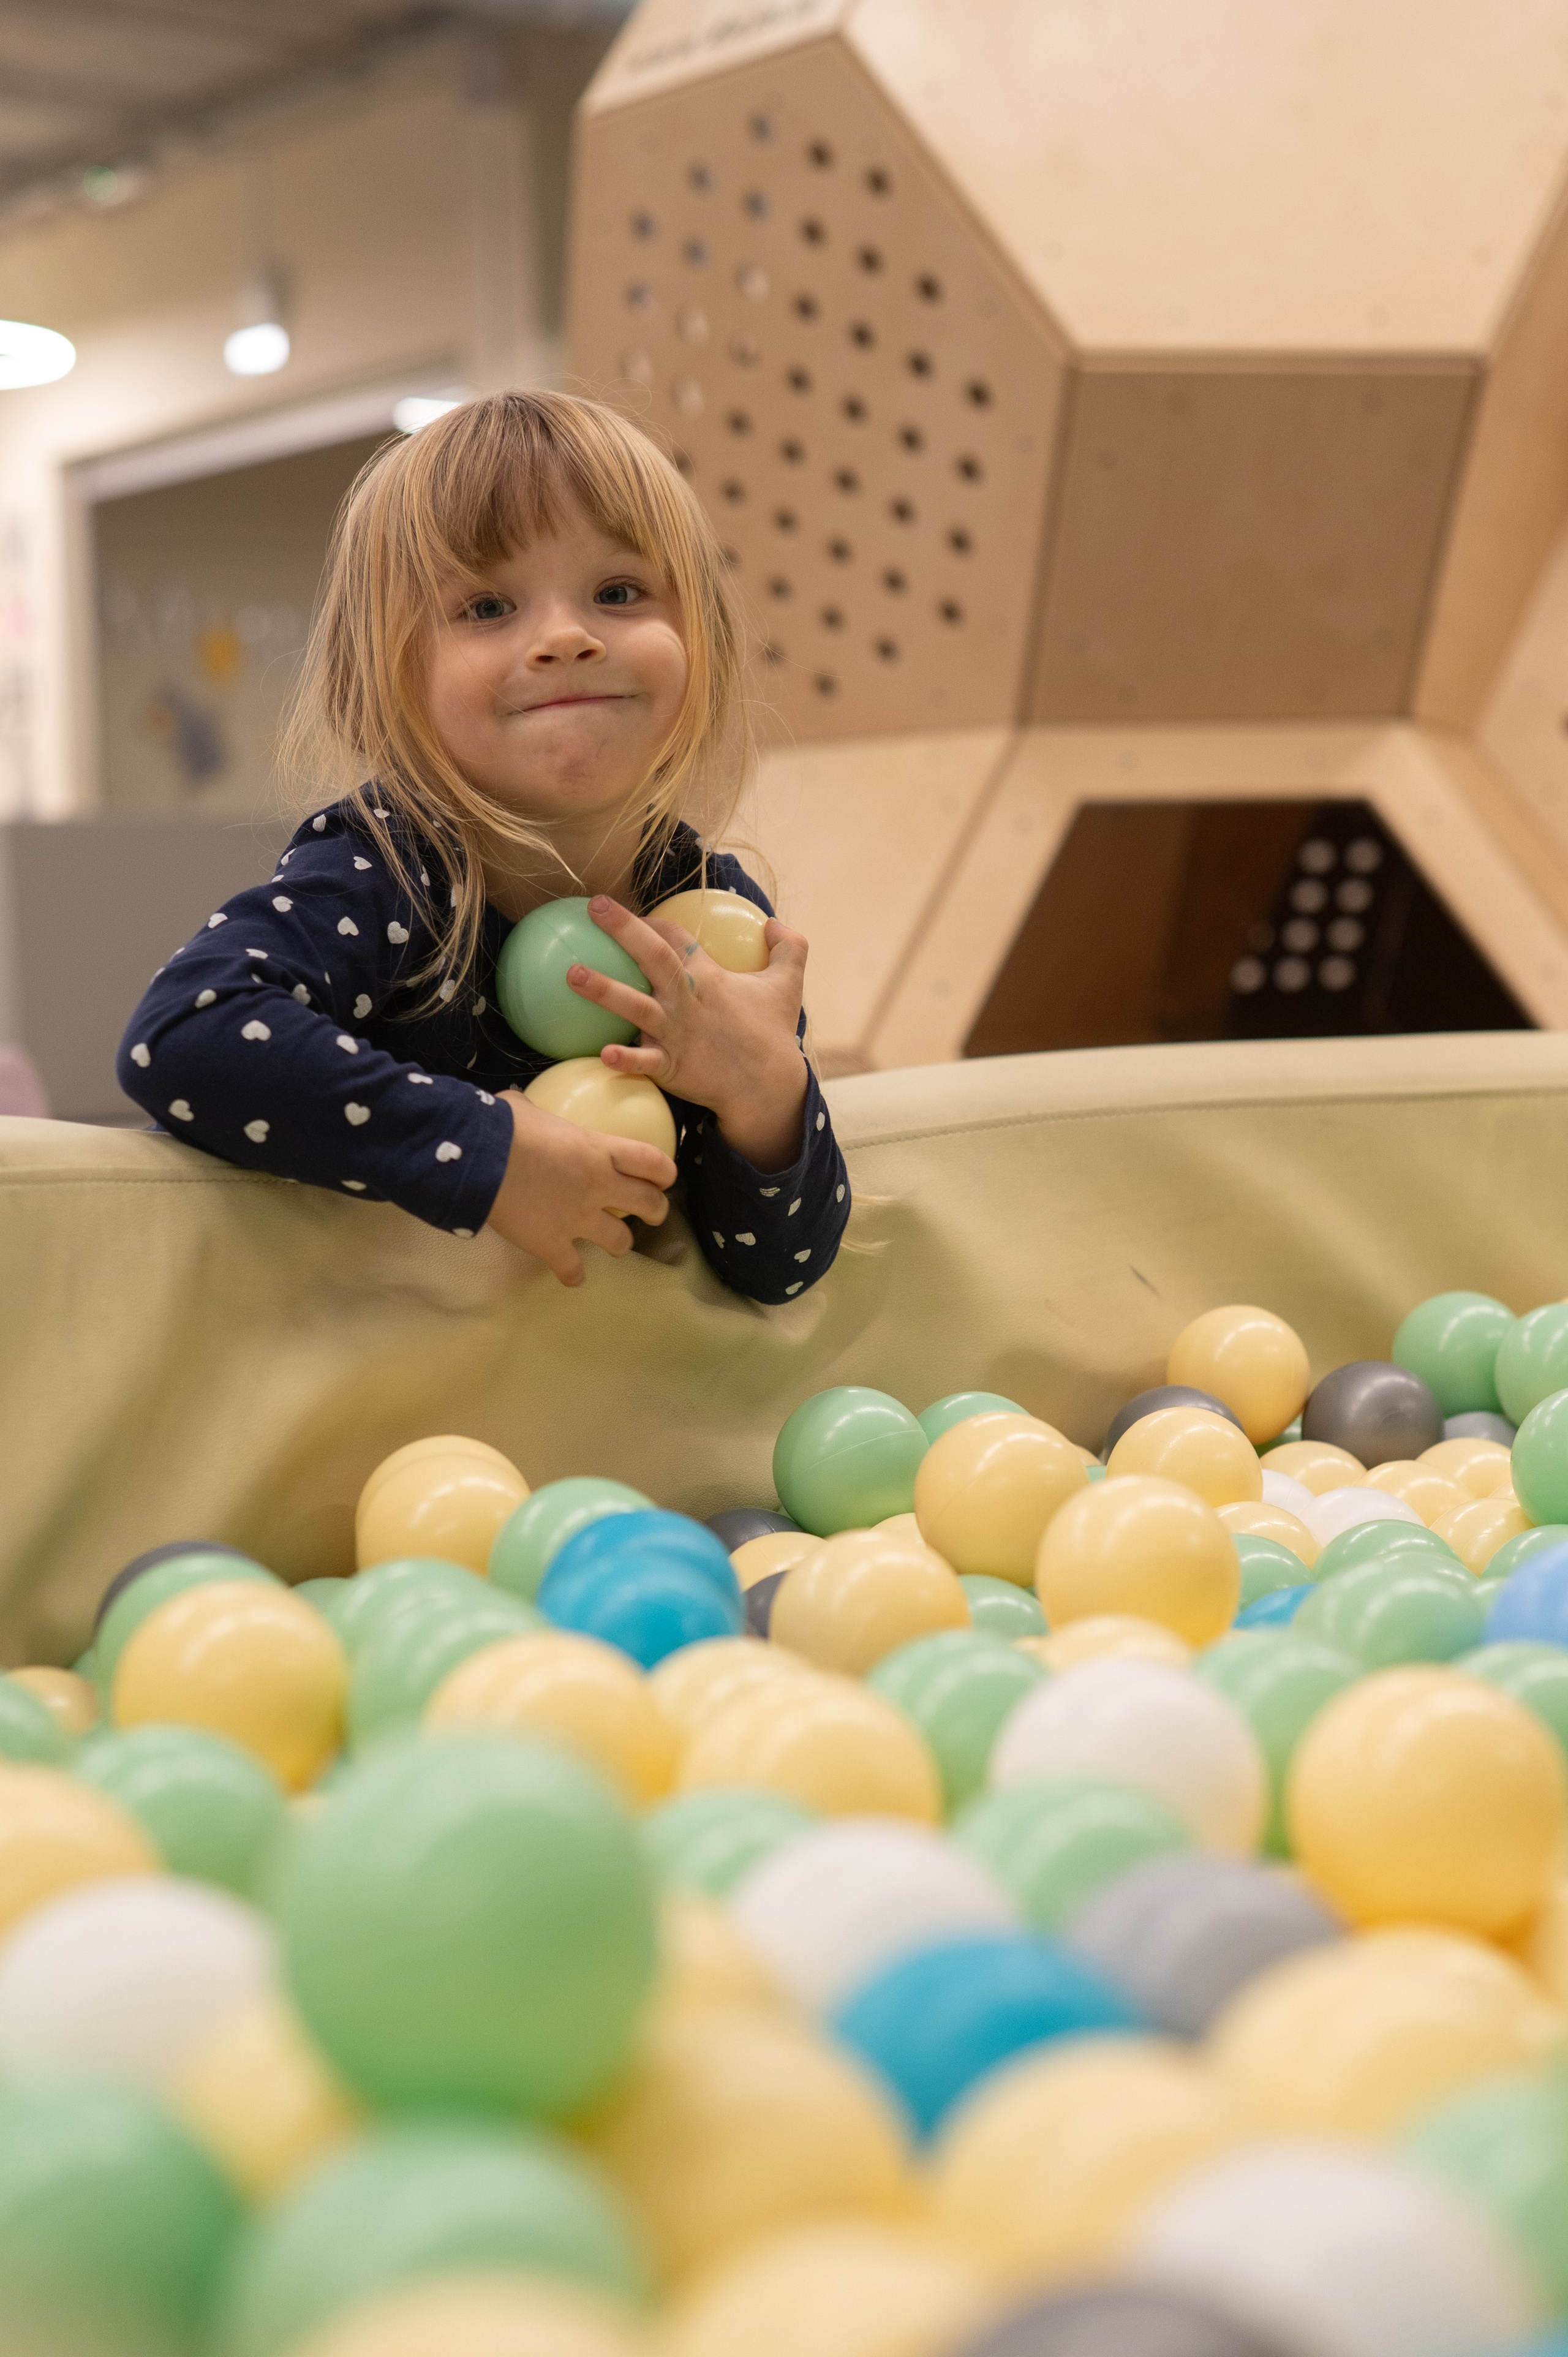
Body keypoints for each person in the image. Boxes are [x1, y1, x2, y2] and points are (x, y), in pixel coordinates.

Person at [116, 391, 850, 1302]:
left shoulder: (710, 912)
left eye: (618, 592)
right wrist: (484, 1152)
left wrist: (767, 1100)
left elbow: (777, 1272)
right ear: (382, 681)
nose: (566, 638)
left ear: (705, 638)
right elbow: (184, 1036)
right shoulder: (390, 869)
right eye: (489, 606)